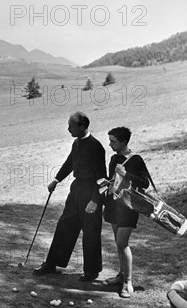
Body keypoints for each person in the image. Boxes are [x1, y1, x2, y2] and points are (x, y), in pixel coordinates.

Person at [33, 112, 107, 282]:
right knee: (65, 225)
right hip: (76, 191)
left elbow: (103, 179)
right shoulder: (76, 143)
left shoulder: (96, 147)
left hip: (91, 193)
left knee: (91, 232)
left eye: (71, 126)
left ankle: (92, 271)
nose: (68, 129)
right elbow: (69, 163)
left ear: (82, 127)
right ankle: (52, 264)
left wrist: (95, 201)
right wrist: (56, 180)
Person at [102, 127, 151, 298]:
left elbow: (144, 183)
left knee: (122, 243)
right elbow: (112, 179)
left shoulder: (136, 160)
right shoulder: (114, 158)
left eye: (113, 141)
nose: (110, 144)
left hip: (129, 207)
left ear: (123, 142)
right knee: (118, 242)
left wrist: (126, 174)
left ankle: (128, 282)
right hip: (114, 205)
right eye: (109, 140)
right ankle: (121, 275)